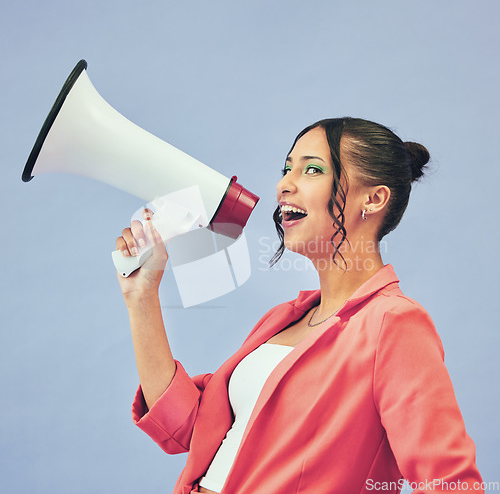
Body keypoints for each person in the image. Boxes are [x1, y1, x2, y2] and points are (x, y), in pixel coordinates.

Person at [115, 118, 484, 493]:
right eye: (287, 168)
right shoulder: (282, 319)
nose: (284, 184)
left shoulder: (394, 323)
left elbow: (450, 483)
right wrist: (141, 297)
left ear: (373, 199)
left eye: (312, 169)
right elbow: (190, 430)